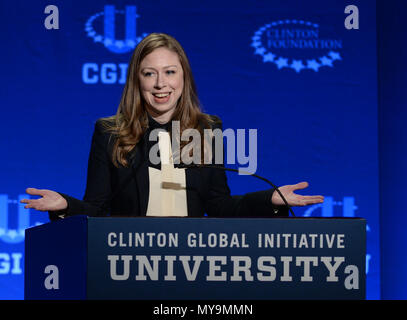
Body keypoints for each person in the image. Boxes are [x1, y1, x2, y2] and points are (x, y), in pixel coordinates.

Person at [20, 33, 324, 220]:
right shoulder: (110, 132)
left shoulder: (207, 130)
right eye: (149, 73)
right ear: (137, 81)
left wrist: (269, 199)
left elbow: (217, 205)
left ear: (184, 78)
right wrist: (64, 205)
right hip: (129, 261)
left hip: (189, 260)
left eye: (169, 72)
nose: (161, 83)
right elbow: (98, 209)